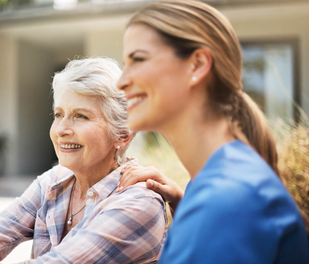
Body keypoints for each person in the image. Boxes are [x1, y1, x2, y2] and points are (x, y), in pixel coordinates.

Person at [116, 0, 309, 263]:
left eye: (137, 59)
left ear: (196, 65)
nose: (121, 81)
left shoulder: (227, 199)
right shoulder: (209, 187)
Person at [0, 57, 167, 264]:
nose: (61, 130)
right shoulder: (53, 182)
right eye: (58, 114)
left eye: (81, 116)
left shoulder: (140, 203)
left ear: (122, 135)